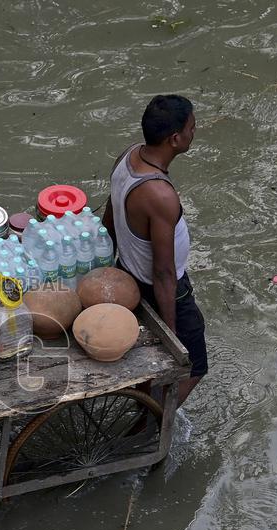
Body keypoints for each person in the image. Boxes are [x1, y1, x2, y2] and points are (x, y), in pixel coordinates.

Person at [102, 94, 207, 405]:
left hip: (128, 273)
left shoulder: (129, 156)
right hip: (159, 289)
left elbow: (109, 218)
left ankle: (147, 403)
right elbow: (162, 273)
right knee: (194, 365)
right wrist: (170, 338)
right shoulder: (159, 195)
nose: (194, 131)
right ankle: (154, 422)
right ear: (175, 139)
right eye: (192, 127)